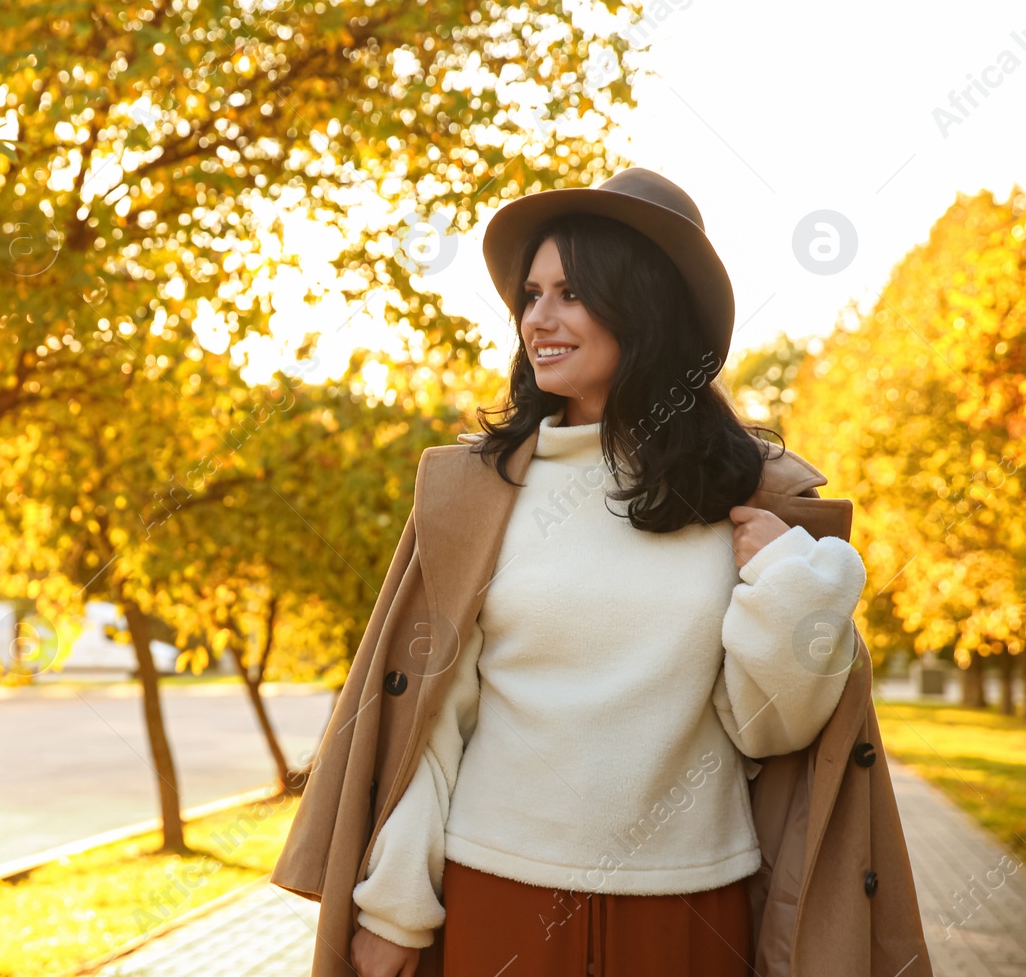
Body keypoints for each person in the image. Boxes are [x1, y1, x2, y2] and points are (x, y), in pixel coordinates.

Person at [348, 169, 868, 977]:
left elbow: (771, 730)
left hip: (691, 912)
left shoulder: (741, 497)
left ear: (645, 308)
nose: (538, 319)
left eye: (571, 294)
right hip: (498, 892)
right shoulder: (480, 493)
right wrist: (395, 907)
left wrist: (796, 589)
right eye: (531, 294)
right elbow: (435, 723)